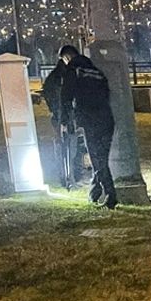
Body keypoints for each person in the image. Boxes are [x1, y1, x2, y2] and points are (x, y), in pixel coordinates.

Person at [57, 45, 116, 208]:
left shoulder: (73, 69)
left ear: (67, 57)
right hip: (106, 118)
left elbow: (66, 96)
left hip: (91, 119)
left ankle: (111, 194)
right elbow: (106, 94)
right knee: (101, 157)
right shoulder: (97, 71)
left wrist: (65, 121)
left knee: (98, 159)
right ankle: (94, 192)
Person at [41, 52, 83, 188]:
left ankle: (68, 177)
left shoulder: (57, 76)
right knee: (69, 147)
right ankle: (68, 177)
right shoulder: (63, 76)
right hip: (65, 117)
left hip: (63, 116)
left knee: (67, 147)